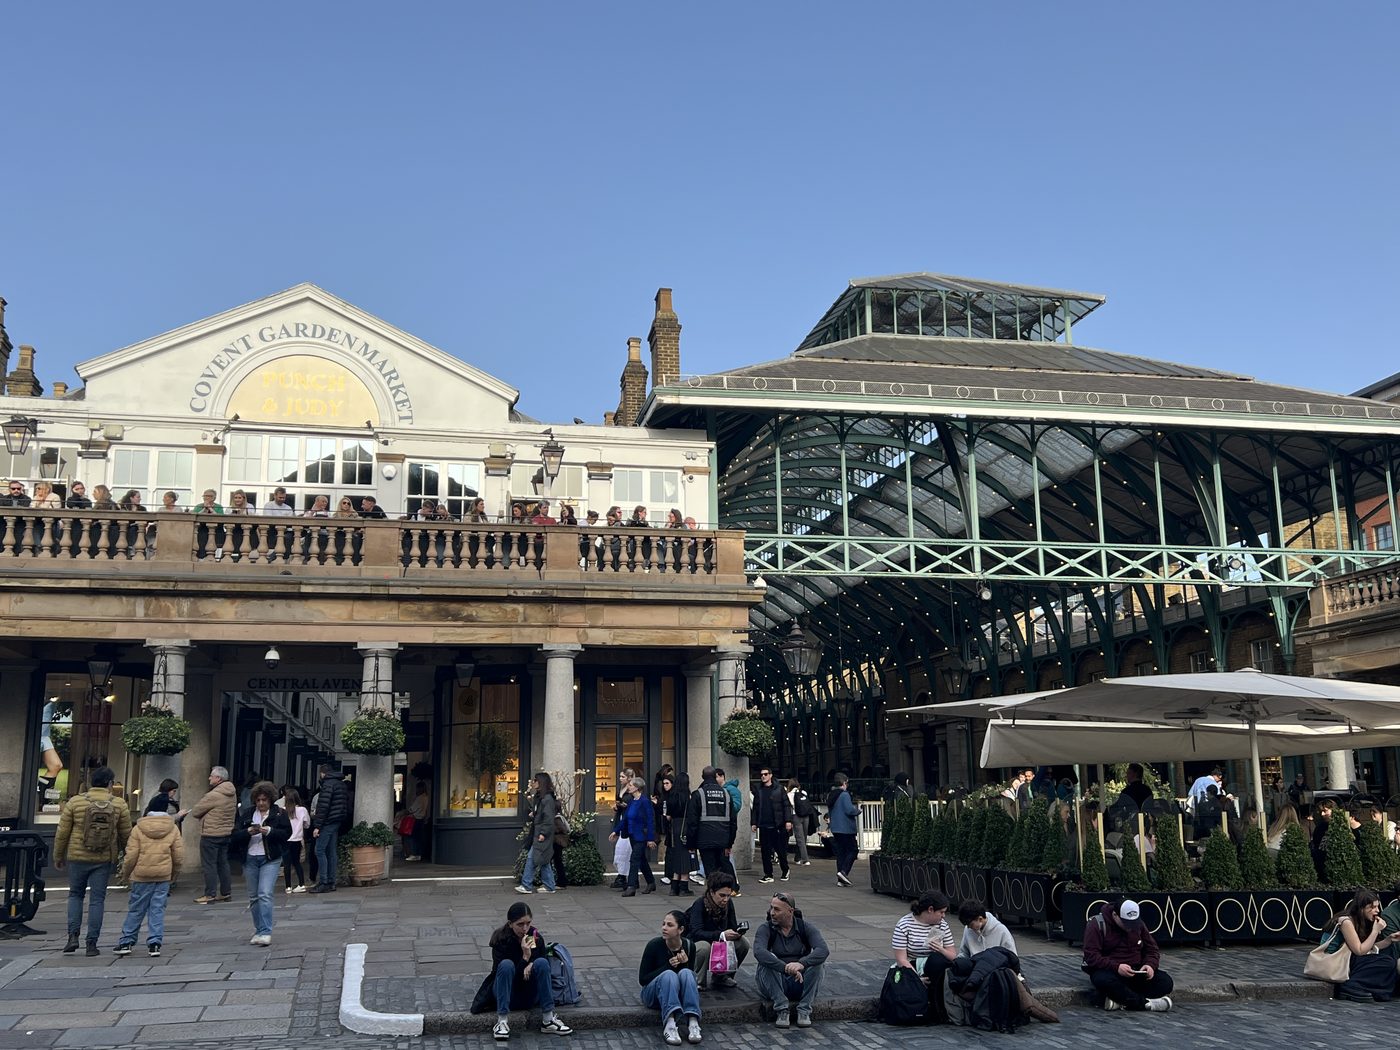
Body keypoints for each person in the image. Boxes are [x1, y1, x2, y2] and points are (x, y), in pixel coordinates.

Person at [53, 765, 131, 956]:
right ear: (110, 784)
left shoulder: (75, 802)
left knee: (75, 895)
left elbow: (62, 832)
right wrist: (127, 856)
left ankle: (73, 936)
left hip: (77, 856)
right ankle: (91, 943)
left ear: (91, 782)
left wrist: (58, 855)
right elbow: (126, 835)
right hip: (103, 858)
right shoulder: (119, 804)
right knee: (97, 900)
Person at [486, 902, 573, 1039]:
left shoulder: (532, 935)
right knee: (507, 965)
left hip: (528, 993)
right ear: (510, 924)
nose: (525, 928)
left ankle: (548, 1019)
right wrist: (525, 958)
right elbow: (502, 974)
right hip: (506, 992)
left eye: (528, 923)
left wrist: (532, 962)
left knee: (541, 962)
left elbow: (541, 959)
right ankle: (502, 1021)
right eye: (520, 924)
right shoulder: (502, 940)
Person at [115, 794, 183, 957]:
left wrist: (126, 873)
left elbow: (131, 855)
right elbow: (178, 855)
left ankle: (127, 942)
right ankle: (154, 943)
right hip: (163, 875)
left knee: (136, 908)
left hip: (141, 875)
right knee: (157, 909)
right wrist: (173, 874)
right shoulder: (172, 828)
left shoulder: (138, 828)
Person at [1081, 899, 1174, 1012]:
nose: (1129, 927)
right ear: (1115, 915)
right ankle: (1146, 1004)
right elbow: (1091, 956)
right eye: (1125, 923)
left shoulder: (1138, 925)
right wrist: (1116, 967)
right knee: (1104, 981)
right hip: (1110, 971)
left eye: (1133, 923)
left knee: (1165, 982)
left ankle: (1121, 1002)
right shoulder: (1097, 924)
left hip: (1135, 971)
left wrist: (1150, 965)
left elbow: (1152, 950)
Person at [754, 891, 829, 1029]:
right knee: (767, 961)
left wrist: (801, 964)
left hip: (799, 981)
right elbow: (759, 952)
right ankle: (782, 1009)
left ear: (790, 911)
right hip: (775, 983)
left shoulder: (805, 927)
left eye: (776, 909)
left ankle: (804, 1010)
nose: (772, 913)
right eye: (771, 907)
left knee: (818, 964)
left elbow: (823, 950)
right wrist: (786, 968)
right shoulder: (765, 928)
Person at [233, 780, 292, 946]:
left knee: (265, 893)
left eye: (264, 800)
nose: (261, 803)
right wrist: (248, 832)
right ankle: (259, 930)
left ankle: (266, 931)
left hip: (270, 858)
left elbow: (286, 833)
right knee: (253, 897)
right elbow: (235, 835)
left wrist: (269, 831)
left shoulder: (279, 814)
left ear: (270, 800)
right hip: (250, 857)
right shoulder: (247, 814)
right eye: (258, 800)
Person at [890, 891, 957, 1022]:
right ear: (930, 910)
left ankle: (940, 1008)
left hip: (937, 967)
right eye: (941, 912)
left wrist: (941, 949)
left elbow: (953, 955)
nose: (943, 916)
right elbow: (901, 958)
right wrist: (916, 978)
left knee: (938, 960)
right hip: (913, 965)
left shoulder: (942, 925)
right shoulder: (904, 924)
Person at [639, 910, 704, 1045]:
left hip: (676, 996)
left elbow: (688, 982)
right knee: (668, 975)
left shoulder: (689, 946)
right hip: (653, 994)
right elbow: (643, 979)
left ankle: (693, 1021)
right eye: (663, 924)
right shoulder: (654, 945)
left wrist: (684, 964)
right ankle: (669, 1023)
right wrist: (668, 967)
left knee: (687, 973)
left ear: (680, 929)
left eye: (669, 925)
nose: (664, 928)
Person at [1324, 889, 1400, 1002]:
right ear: (1362, 908)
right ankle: (1350, 987)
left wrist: (1389, 940)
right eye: (1373, 907)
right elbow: (1359, 950)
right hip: (1334, 960)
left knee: (1388, 961)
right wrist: (1375, 930)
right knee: (1384, 962)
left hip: (1351, 957)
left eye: (1378, 907)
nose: (1377, 911)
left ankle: (1376, 990)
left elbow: (1369, 947)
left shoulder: (1363, 921)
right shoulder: (1346, 921)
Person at [180, 765, 236, 904]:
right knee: (223, 863)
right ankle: (225, 892)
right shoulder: (232, 793)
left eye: (211, 775)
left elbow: (196, 811)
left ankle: (210, 894)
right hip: (225, 832)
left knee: (209, 865)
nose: (209, 778)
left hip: (211, 833)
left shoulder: (213, 795)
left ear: (218, 778)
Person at [685, 872, 749, 989]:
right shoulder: (700, 904)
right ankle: (698, 981)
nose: (726, 899)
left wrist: (737, 932)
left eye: (728, 895)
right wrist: (721, 934)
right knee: (704, 947)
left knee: (743, 943)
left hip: (719, 942)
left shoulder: (728, 904)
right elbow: (696, 932)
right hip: (699, 942)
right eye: (722, 895)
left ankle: (722, 976)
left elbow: (732, 925)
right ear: (712, 892)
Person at [684, 766, 737, 893]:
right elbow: (733, 821)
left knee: (710, 867)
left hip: (705, 838)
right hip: (723, 838)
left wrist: (691, 843)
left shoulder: (698, 794)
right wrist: (730, 842)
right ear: (715, 777)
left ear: (703, 777)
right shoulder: (726, 794)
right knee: (724, 864)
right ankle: (733, 888)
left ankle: (714, 891)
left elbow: (692, 822)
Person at [614, 775, 658, 896]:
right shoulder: (632, 801)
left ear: (637, 788)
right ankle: (651, 882)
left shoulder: (644, 802)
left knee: (634, 859)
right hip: (632, 834)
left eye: (631, 785)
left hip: (641, 836)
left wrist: (650, 838)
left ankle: (631, 886)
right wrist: (616, 831)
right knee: (641, 860)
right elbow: (626, 819)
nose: (629, 787)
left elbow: (650, 820)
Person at [516, 772, 559, 894]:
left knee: (532, 858)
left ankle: (526, 885)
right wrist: (534, 814)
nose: (533, 782)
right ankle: (549, 886)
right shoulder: (541, 798)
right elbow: (542, 814)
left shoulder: (546, 799)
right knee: (543, 859)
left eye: (535, 780)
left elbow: (548, 818)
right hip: (538, 833)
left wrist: (543, 833)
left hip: (542, 834)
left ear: (541, 782)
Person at [751, 766, 795, 884]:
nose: (763, 776)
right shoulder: (759, 790)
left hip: (777, 825)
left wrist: (788, 821)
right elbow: (755, 808)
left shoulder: (779, 789)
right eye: (761, 775)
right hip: (764, 825)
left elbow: (786, 806)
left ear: (770, 775)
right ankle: (768, 874)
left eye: (765, 774)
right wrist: (754, 823)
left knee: (780, 850)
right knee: (765, 851)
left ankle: (785, 870)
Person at [309, 764, 349, 892]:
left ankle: (324, 881)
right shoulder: (341, 784)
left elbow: (323, 806)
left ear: (322, 773)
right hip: (337, 820)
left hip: (327, 821)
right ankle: (331, 881)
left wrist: (317, 826)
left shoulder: (327, 784)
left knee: (319, 850)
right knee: (331, 851)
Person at [659, 773, 692, 895]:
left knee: (675, 855)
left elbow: (667, 816)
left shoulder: (672, 796)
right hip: (685, 827)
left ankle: (674, 887)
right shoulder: (688, 796)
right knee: (684, 856)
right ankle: (684, 887)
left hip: (674, 827)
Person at [826, 773, 860, 887]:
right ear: (844, 783)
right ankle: (844, 872)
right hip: (846, 828)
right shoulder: (844, 795)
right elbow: (849, 810)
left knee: (841, 853)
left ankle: (840, 878)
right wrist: (858, 810)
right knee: (853, 850)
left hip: (836, 828)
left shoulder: (831, 795)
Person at [278, 786, 310, 892]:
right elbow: (307, 824)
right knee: (297, 862)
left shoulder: (283, 811)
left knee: (286, 864)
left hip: (285, 839)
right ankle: (301, 884)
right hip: (297, 839)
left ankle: (288, 886)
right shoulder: (302, 810)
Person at [787, 777, 813, 866]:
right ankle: (798, 857)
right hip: (806, 816)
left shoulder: (789, 795)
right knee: (803, 838)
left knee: (800, 839)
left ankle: (805, 859)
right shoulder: (803, 792)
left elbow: (789, 807)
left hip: (795, 816)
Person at [403, 782, 430, 862]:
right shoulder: (426, 797)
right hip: (421, 819)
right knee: (419, 838)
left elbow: (412, 809)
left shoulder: (419, 798)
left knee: (412, 838)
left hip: (415, 819)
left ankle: (414, 854)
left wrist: (403, 813)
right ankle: (418, 854)